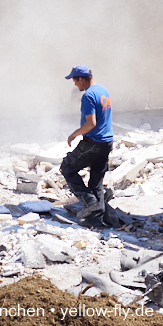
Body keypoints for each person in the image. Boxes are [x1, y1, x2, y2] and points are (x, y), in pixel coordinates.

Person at [60, 65, 113, 222]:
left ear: (81, 79)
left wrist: (74, 134)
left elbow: (91, 123)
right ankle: (97, 218)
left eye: (75, 81)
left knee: (67, 168)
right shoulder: (104, 91)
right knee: (96, 181)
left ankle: (89, 202)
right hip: (107, 142)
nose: (75, 85)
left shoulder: (88, 96)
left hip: (93, 143)